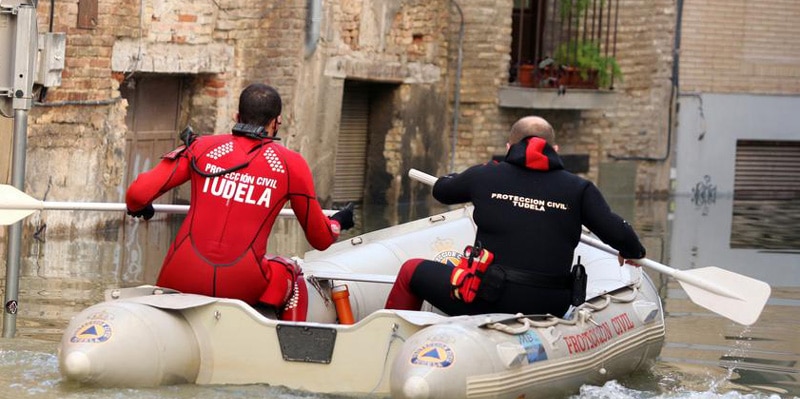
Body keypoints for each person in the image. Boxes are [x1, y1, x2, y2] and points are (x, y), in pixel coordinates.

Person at [125, 83, 354, 317]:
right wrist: (337, 221)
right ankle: (281, 332)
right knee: (291, 271)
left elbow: (136, 194)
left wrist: (141, 207)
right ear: (276, 122)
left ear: (237, 116)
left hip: (179, 275)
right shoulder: (291, 165)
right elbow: (320, 238)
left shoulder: (201, 147)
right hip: (241, 285)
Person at [385, 115, 645, 317]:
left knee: (411, 270)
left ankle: (387, 346)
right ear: (554, 149)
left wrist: (455, 179)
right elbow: (619, 232)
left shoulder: (485, 175)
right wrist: (633, 251)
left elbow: (443, 191)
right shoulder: (579, 188)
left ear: (509, 147)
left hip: (488, 297)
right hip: (550, 305)